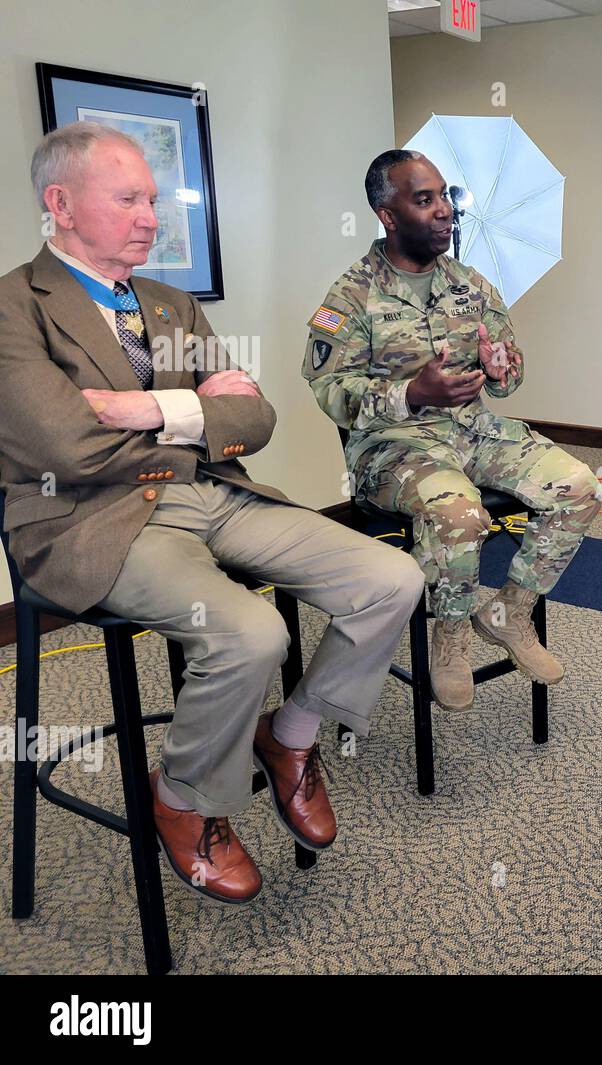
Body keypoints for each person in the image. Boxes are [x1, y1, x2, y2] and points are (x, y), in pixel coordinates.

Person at [0, 122, 425, 904]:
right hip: (91, 521)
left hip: (215, 495)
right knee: (251, 632)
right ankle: (185, 797)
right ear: (59, 204)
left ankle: (289, 736)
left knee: (393, 576)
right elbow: (63, 448)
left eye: (152, 200)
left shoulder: (170, 304)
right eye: (127, 198)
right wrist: (196, 413)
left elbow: (255, 420)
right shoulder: (12, 307)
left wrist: (142, 409)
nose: (149, 218)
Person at [303, 150, 600, 712]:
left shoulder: (470, 284)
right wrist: (413, 393)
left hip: (473, 432)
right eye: (425, 200)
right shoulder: (352, 297)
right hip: (395, 449)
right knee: (461, 515)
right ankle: (451, 636)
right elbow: (329, 391)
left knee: (579, 487)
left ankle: (509, 612)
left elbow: (511, 377)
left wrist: (498, 365)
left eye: (445, 197)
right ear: (387, 215)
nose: (444, 212)